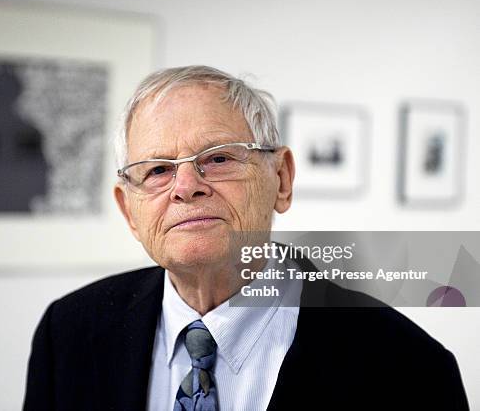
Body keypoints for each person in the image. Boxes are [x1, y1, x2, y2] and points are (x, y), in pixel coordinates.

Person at [23, 65, 468, 410]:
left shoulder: (409, 368)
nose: (185, 186)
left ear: (281, 180)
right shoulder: (68, 334)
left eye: (216, 159)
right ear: (129, 210)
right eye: (158, 169)